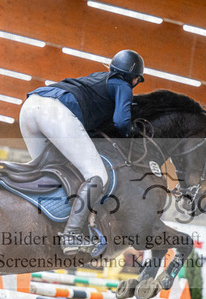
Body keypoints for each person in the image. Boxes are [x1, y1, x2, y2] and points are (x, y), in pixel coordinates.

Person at [19, 49, 145, 255]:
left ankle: (29, 218)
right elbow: (121, 121)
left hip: (30, 106)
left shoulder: (98, 79)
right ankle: (72, 234)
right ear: (134, 78)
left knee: (48, 172)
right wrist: (133, 132)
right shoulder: (123, 85)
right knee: (98, 175)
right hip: (55, 112)